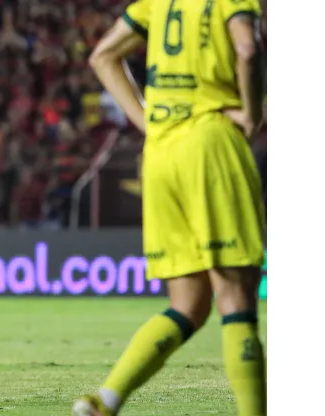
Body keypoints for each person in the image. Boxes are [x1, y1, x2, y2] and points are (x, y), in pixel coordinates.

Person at [74, 1, 266, 415]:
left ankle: (105, 400)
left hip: (160, 153)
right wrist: (251, 114)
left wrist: (146, 121)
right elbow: (248, 49)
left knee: (189, 304)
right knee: (236, 294)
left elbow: (103, 55)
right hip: (209, 143)